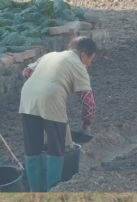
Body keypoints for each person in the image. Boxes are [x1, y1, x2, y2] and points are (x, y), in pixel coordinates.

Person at [19, 36, 98, 192]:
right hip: (51, 100)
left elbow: (26, 71)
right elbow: (88, 102)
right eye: (90, 59)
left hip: (27, 98)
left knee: (32, 148)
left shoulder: (50, 55)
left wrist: (42, 82)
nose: (90, 64)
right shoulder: (78, 65)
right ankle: (53, 190)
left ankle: (35, 191)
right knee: (56, 148)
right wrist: (87, 124)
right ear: (83, 55)